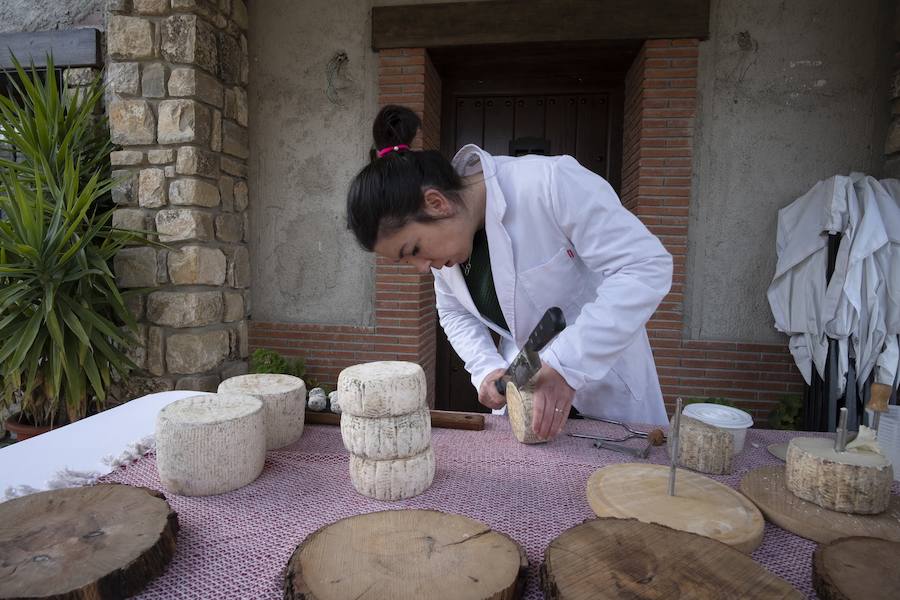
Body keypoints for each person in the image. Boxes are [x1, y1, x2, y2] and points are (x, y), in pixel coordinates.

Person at [346, 105, 673, 439]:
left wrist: (566, 366)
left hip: (608, 391)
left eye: (413, 250)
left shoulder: (549, 184)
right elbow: (454, 313)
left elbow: (645, 266)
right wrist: (486, 367)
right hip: (524, 399)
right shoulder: (447, 247)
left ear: (436, 203)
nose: (420, 267)